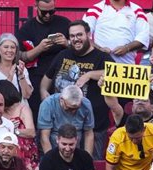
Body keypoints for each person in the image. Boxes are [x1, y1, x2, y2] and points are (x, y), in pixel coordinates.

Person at [41, 19, 122, 160]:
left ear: (88, 35)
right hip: (60, 128)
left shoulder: (101, 57)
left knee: (91, 166)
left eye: (79, 35)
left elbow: (117, 74)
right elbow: (45, 82)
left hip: (94, 127)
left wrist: (90, 74)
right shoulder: (63, 55)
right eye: (72, 36)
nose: (76, 39)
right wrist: (46, 98)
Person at [16, 0, 70, 121]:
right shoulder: (27, 28)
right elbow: (19, 56)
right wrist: (39, 49)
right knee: (38, 114)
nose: (48, 15)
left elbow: (81, 46)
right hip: (37, 77)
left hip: (62, 77)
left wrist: (67, 43)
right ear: (36, 7)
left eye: (52, 12)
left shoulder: (64, 23)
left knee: (63, 114)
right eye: (44, 12)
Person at [83, 0, 149, 64]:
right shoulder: (95, 9)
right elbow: (83, 35)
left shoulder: (137, 11)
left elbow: (143, 37)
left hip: (126, 65)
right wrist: (99, 50)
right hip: (100, 64)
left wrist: (127, 48)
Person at [38, 85, 94, 155]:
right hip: (53, 148)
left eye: (76, 108)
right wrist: (51, 160)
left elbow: (89, 134)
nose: (73, 111)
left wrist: (87, 158)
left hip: (76, 149)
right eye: (70, 108)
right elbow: (44, 137)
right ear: (61, 100)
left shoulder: (86, 104)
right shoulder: (48, 104)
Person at [0, 34, 32, 101]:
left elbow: (27, 95)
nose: (9, 50)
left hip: (20, 109)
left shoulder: (21, 69)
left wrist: (21, 76)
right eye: (6, 47)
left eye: (13, 47)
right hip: (0, 109)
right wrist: (9, 78)